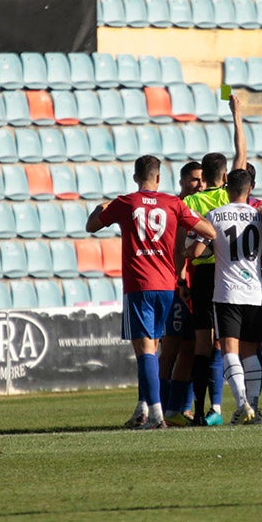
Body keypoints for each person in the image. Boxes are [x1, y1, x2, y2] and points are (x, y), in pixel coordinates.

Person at [86, 155, 216, 430]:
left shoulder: (126, 202)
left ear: (136, 177)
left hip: (139, 285)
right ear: (159, 178)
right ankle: (143, 408)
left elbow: (92, 225)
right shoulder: (173, 203)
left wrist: (102, 205)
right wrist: (192, 249)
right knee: (153, 349)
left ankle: (156, 415)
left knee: (145, 350)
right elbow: (209, 231)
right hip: (167, 285)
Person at [178, 96, 248, 426]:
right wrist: (237, 116)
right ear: (225, 175)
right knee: (226, 341)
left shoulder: (191, 199)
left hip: (201, 275)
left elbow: (183, 245)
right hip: (229, 272)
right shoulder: (229, 196)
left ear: (202, 175)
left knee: (203, 343)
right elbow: (242, 156)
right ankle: (218, 409)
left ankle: (199, 409)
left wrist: (181, 276)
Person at [188, 168, 262, 425]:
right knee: (250, 351)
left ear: (226, 187)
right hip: (255, 292)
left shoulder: (214, 216)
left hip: (227, 292)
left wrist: (200, 249)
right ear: (250, 189)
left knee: (229, 349)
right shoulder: (259, 215)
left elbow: (195, 252)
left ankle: (241, 405)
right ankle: (255, 407)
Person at [159, 161, 204, 426]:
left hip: (193, 288)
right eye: (193, 180)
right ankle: (159, 407)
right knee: (170, 350)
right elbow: (174, 250)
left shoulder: (197, 209)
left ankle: (179, 407)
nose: (198, 185)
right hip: (176, 286)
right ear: (182, 182)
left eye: (201, 180)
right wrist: (179, 280)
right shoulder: (174, 208)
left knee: (189, 348)